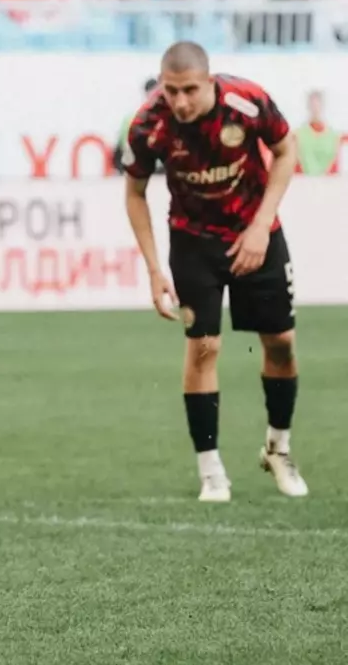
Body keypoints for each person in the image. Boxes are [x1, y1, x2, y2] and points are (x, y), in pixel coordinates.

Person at [123, 41, 304, 503]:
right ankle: (211, 471)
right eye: (171, 90)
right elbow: (134, 193)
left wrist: (261, 225)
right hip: (193, 243)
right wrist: (153, 268)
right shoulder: (148, 125)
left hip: (255, 234)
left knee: (281, 343)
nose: (180, 101)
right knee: (204, 347)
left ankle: (278, 449)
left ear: (209, 81)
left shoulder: (247, 102)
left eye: (189, 90)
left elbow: (286, 150)